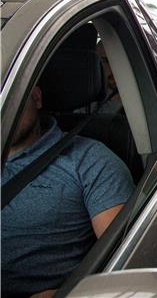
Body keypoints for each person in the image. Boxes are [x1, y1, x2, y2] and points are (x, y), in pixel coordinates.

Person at [1, 85, 134, 298]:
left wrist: (63, 295)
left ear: (36, 97)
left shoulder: (90, 161)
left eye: (8, 98)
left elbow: (127, 261)